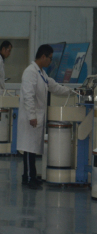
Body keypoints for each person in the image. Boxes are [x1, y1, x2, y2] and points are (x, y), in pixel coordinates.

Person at [16, 45, 73, 190]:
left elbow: (54, 86)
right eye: (50, 58)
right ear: (43, 56)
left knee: (31, 148)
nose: (50, 61)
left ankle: (29, 176)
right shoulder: (30, 72)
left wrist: (71, 92)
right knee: (29, 149)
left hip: (36, 117)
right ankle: (29, 178)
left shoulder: (41, 73)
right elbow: (28, 95)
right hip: (30, 118)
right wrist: (32, 115)